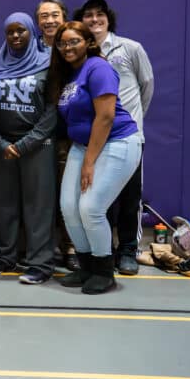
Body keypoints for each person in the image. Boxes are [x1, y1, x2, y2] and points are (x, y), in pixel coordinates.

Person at [49, 21, 142, 294]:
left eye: (74, 41)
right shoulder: (70, 74)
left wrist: (89, 162)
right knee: (69, 206)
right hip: (83, 145)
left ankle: (104, 271)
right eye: (62, 43)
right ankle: (87, 266)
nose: (67, 47)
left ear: (88, 42)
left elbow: (106, 116)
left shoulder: (97, 67)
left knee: (91, 208)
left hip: (117, 142)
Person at [73, 0, 154, 276]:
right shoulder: (79, 55)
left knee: (131, 198)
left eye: (99, 15)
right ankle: (102, 253)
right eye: (88, 16)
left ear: (109, 19)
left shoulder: (130, 48)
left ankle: (129, 249)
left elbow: (147, 86)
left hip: (125, 137)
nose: (94, 20)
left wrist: (129, 120)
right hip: (96, 140)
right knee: (97, 199)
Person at [0, 13, 57, 284]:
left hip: (37, 145)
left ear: (31, 33)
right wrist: (0, 142)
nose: (15, 37)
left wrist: (27, 143)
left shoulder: (47, 64)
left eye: (21, 31)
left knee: (39, 207)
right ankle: (5, 256)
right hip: (3, 146)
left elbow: (53, 109)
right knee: (4, 205)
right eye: (10, 32)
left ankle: (40, 263)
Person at [34, 0, 79, 271]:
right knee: (40, 196)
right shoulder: (29, 47)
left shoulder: (74, 47)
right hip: (36, 135)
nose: (49, 20)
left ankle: (71, 247)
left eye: (54, 15)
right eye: (43, 16)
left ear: (64, 17)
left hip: (66, 135)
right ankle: (41, 248)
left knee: (68, 195)